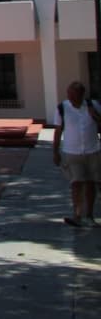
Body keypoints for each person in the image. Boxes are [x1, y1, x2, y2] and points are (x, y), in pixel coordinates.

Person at [52, 81, 101, 227]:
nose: (71, 98)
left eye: (74, 96)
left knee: (91, 183)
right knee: (76, 183)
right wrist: (55, 152)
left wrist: (96, 117)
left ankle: (89, 216)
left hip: (93, 151)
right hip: (72, 152)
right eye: (69, 95)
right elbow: (57, 131)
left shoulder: (94, 106)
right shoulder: (62, 108)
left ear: (81, 95)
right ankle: (77, 215)